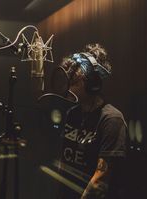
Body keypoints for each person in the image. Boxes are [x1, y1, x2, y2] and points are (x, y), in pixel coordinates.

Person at [53, 43, 128, 199]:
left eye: (73, 83)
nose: (68, 88)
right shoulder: (72, 114)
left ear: (92, 85)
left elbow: (101, 176)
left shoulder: (112, 119)